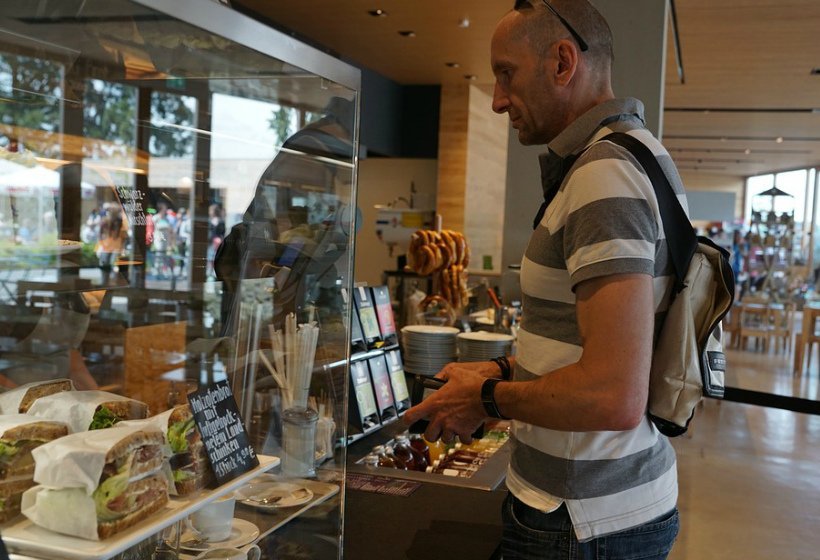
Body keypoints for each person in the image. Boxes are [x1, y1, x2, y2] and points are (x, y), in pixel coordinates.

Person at [404, 2, 681, 558]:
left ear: (562, 62)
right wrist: (502, 369)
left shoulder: (605, 174)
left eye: (506, 73)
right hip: (596, 510)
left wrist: (486, 398)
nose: (497, 99)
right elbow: (594, 348)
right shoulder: (633, 155)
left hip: (580, 518)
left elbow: (613, 395)